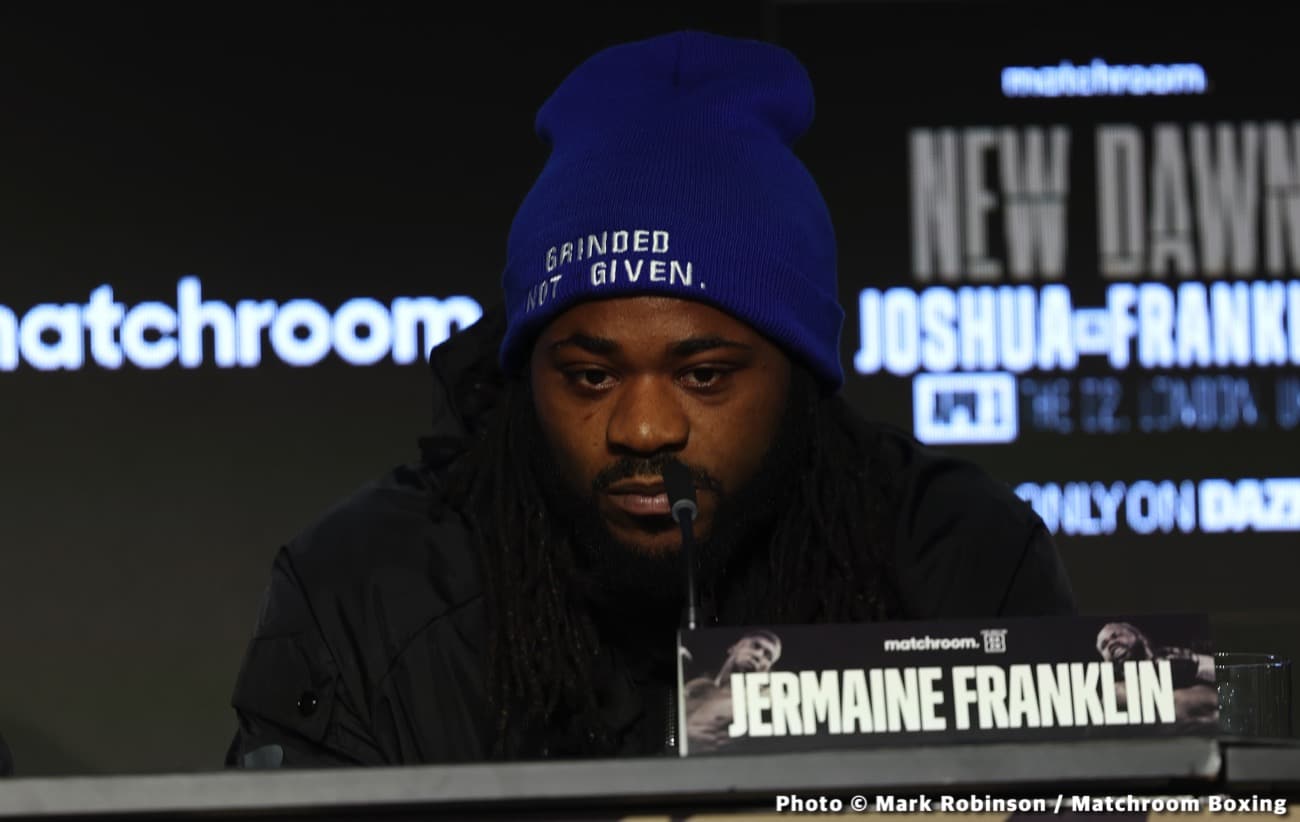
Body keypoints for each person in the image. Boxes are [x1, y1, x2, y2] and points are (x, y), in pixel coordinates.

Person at [227, 31, 1075, 768]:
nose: (642, 428)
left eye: (704, 376)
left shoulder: (955, 560)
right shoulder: (367, 591)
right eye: (590, 377)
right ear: (527, 374)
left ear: (800, 374)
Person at [1095, 622, 1217, 723]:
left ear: (1138, 635)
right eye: (1104, 645)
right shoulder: (1116, 692)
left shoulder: (1180, 656)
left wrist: (1191, 666)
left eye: (1115, 636)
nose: (1111, 644)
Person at [684, 630, 782, 752]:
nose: (758, 655)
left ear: (766, 670)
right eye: (755, 646)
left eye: (767, 656)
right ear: (733, 648)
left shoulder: (756, 703)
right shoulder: (698, 686)